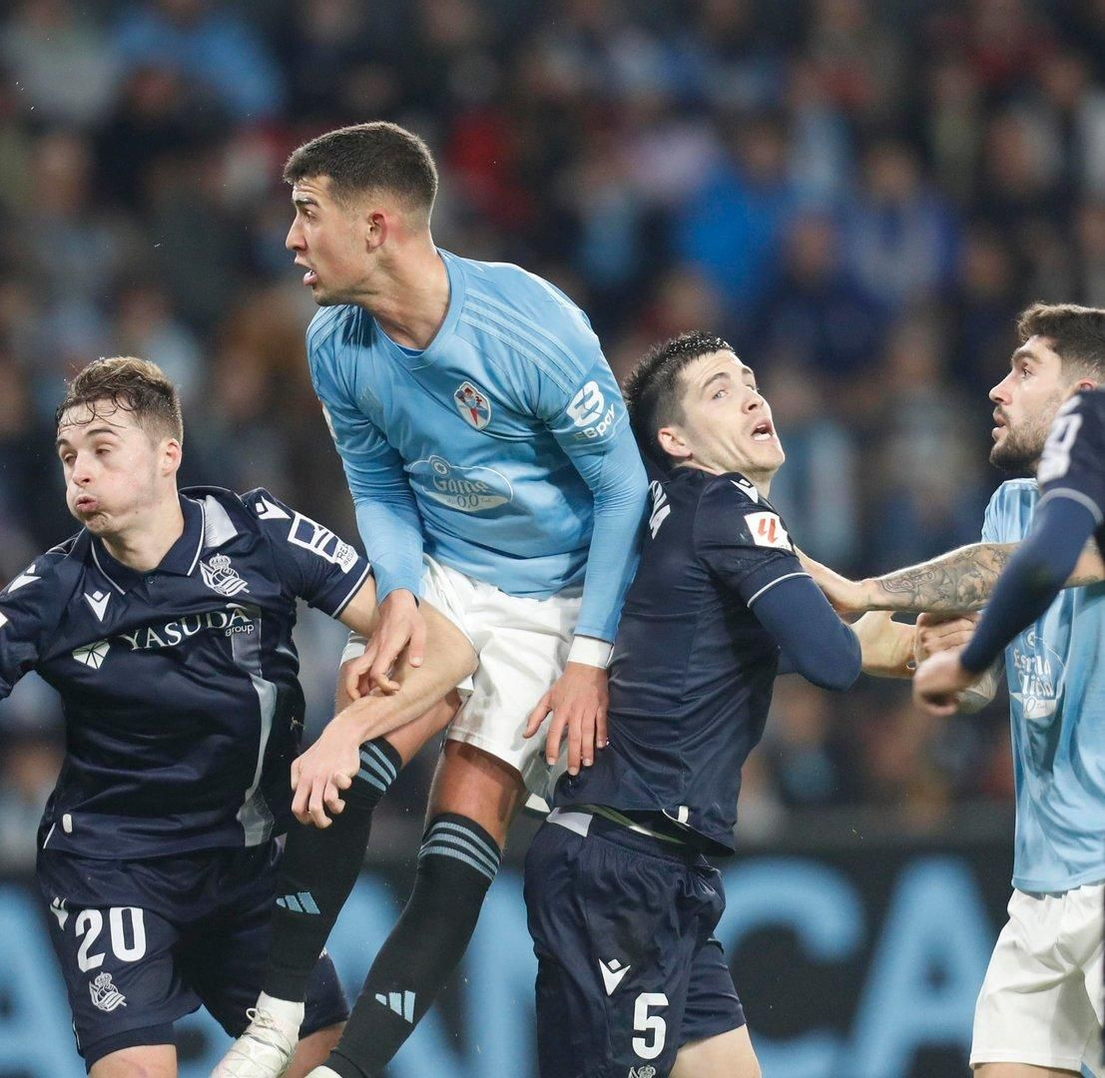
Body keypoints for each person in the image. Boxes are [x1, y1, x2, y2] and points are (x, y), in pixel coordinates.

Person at [0, 357, 475, 1078]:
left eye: (104, 451)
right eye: (69, 456)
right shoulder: (47, 593)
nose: (80, 473)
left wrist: (347, 732)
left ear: (169, 455)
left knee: (320, 1056)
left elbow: (445, 651)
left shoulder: (258, 534)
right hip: (115, 869)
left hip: (249, 867)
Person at [217, 120, 650, 1078]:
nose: (290, 239)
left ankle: (347, 1070)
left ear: (377, 227)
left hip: (560, 601)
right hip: (450, 575)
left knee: (460, 835)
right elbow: (376, 481)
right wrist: (404, 594)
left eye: (307, 214)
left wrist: (589, 658)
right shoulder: (334, 339)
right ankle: (273, 1024)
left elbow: (625, 492)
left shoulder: (531, 324)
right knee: (340, 770)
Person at [525, 332, 912, 1077]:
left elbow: (704, 656)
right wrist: (870, 630)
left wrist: (866, 634)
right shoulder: (733, 510)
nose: (750, 394)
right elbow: (830, 662)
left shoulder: (670, 517)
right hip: (624, 868)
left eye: (749, 378)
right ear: (674, 439)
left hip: (654, 869)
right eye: (719, 391)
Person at [813, 302, 1105, 1078]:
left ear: (1085, 394)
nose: (997, 389)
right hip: (1042, 887)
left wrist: (866, 589)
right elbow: (982, 689)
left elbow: (1021, 565)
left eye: (1025, 369)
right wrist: (932, 657)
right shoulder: (1010, 504)